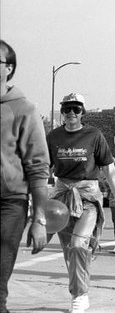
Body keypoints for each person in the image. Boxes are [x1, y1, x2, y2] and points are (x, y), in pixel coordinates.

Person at [46, 92, 115, 313]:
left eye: (76, 109)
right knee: (70, 250)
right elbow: (43, 168)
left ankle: (79, 295)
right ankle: (80, 290)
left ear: (83, 113)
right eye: (67, 108)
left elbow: (108, 168)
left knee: (79, 244)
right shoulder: (53, 137)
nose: (71, 113)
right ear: (62, 112)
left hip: (88, 197)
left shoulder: (94, 135)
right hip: (62, 198)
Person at [0, 40, 50, 313]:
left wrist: (39, 220)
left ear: (8, 69)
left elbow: (38, 168)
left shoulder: (24, 110)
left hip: (9, 203)